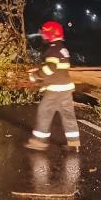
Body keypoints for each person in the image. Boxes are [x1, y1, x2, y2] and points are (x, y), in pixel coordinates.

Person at [25, 21, 80, 151]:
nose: (43, 36)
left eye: (44, 33)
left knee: (44, 112)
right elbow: (58, 67)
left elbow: (50, 68)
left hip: (55, 89)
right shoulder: (62, 48)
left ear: (50, 34)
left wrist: (35, 76)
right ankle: (74, 143)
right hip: (65, 88)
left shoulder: (52, 50)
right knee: (68, 115)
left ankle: (39, 141)